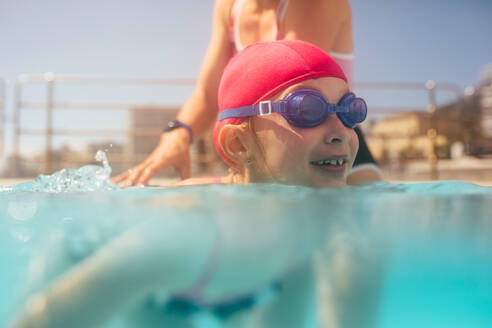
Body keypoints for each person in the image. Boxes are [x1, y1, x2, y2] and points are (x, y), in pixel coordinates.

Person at [9, 40, 375, 328]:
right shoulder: (192, 232)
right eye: (307, 110)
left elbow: (287, 311)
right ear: (238, 144)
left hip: (200, 287)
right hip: (94, 264)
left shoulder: (314, 220)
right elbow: (53, 316)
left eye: (349, 111)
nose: (341, 134)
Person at [113, 0, 382, 187]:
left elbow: (295, 83)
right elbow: (207, 97)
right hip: (273, 148)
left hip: (336, 148)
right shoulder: (230, 6)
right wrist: (177, 135)